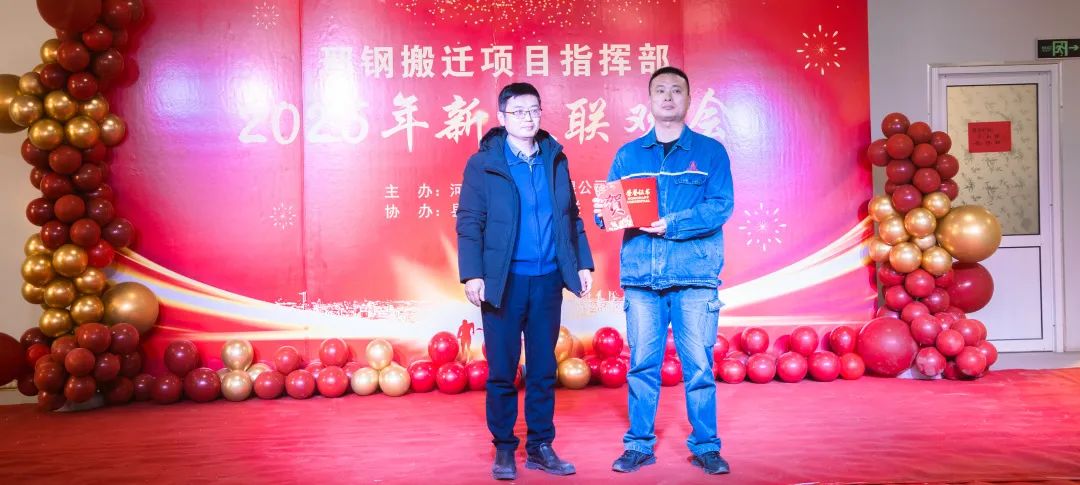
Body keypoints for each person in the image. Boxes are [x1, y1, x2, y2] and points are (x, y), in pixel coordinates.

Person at [595, 67, 734, 475]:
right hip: (642, 279)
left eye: (676, 90)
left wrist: (672, 223)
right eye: (660, 90)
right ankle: (639, 445)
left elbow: (720, 207)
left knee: (699, 367)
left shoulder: (710, 152)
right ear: (650, 100)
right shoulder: (629, 155)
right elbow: (608, 215)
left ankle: (706, 446)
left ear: (688, 99)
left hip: (694, 277)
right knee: (642, 365)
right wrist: (605, 211)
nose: (668, 97)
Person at [456, 82, 595, 481]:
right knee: (502, 370)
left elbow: (571, 215)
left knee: (542, 368)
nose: (528, 118)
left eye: (534, 110)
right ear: (502, 117)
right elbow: (469, 221)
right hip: (503, 282)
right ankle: (504, 448)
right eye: (518, 111)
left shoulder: (554, 157)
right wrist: (473, 273)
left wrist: (582, 263)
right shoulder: (484, 164)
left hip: (547, 279)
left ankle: (540, 446)